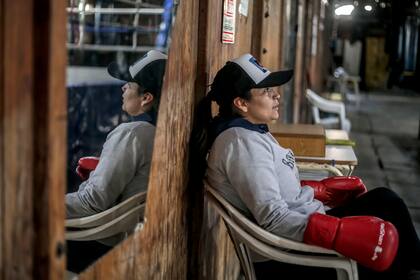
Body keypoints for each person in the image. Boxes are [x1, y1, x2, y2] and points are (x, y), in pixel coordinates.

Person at [193, 53, 420, 280]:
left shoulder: (250, 132)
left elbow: (274, 190)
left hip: (300, 230)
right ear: (241, 103)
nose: (276, 95)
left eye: (273, 89)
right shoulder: (241, 144)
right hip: (289, 255)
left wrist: (317, 190)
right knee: (390, 237)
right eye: (265, 92)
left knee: (385, 202)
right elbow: (273, 217)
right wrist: (337, 233)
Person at [65, 50, 167, 273]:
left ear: (146, 98)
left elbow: (92, 202)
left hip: (98, 242)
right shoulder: (163, 133)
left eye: (129, 85)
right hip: (131, 240)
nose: (123, 89)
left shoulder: (132, 133)